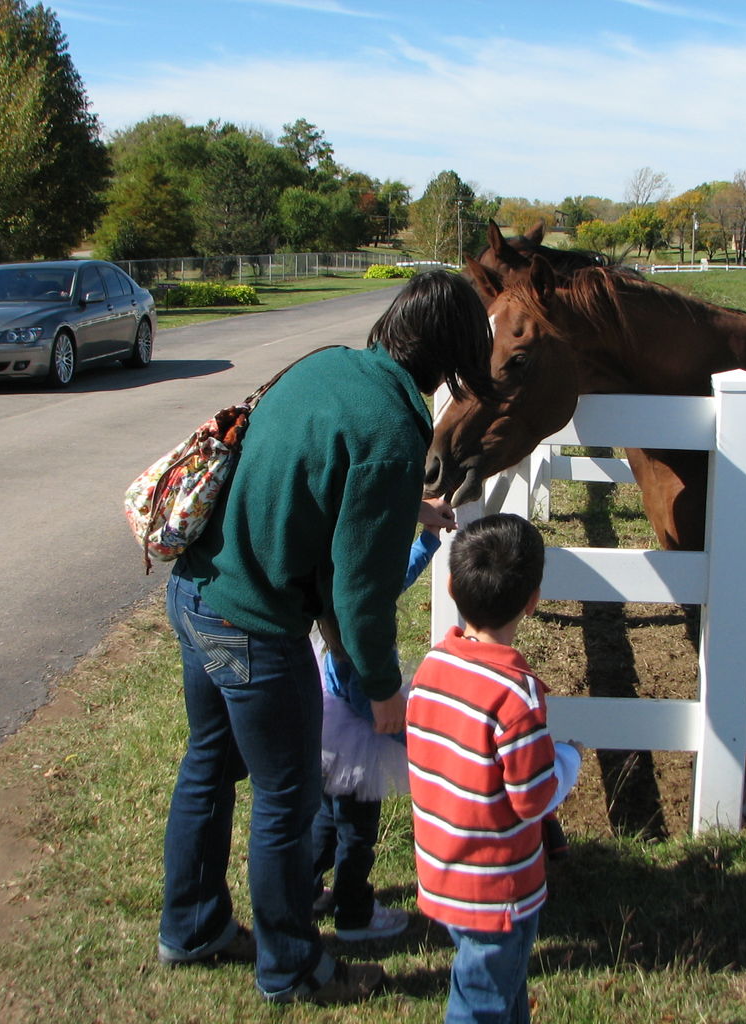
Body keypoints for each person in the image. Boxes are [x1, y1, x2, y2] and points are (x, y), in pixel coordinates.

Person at [158, 271, 495, 1005]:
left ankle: (191, 929)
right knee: (289, 800)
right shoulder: (392, 431)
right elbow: (359, 592)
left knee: (208, 767)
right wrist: (380, 688)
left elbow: (315, 468)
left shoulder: (328, 365)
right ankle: (293, 968)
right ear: (452, 355)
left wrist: (408, 503)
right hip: (253, 627)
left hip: (194, 592)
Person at [406, 513, 583, 1024]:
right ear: (533, 600)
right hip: (499, 887)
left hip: (443, 868)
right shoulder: (516, 694)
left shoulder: (433, 666)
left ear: (451, 585)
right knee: (480, 1001)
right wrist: (568, 758)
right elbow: (533, 797)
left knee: (504, 990)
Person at [310, 498, 450, 942]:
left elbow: (395, 578)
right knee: (357, 832)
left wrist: (427, 541)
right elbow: (367, 700)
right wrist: (416, 744)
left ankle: (307, 890)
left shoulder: (340, 596)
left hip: (326, 727)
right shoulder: (360, 640)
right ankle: (354, 912)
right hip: (359, 739)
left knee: (325, 819)